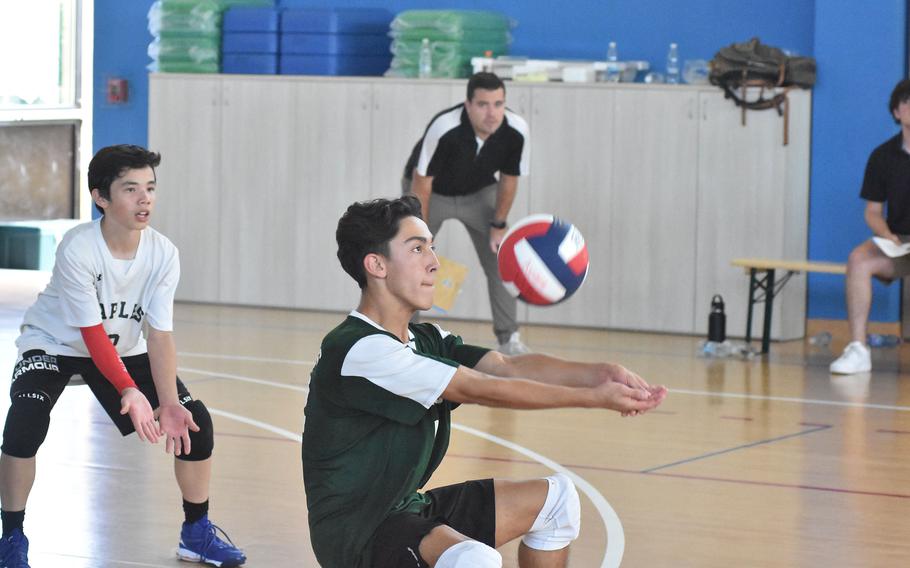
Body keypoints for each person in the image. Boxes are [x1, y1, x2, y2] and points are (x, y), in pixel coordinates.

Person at [302, 196, 667, 568]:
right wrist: (594, 397)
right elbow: (482, 388)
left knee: (557, 500)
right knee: (473, 558)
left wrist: (600, 373)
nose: (434, 262)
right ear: (376, 265)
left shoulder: (424, 339)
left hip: (405, 508)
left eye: (432, 246)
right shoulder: (360, 349)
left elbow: (505, 367)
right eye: (417, 248)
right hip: (358, 536)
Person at [0, 145, 246, 567]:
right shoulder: (79, 248)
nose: (144, 198)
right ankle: (11, 538)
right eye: (130, 189)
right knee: (25, 421)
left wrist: (168, 403)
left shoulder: (163, 253)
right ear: (101, 197)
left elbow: (160, 335)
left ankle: (196, 533)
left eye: (150, 188)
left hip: (123, 347)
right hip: (56, 343)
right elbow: (91, 334)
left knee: (194, 423)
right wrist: (129, 390)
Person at [403, 72, 530, 355]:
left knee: (501, 260)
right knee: (410, 260)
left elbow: (510, 179)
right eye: (483, 104)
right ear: (468, 105)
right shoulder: (445, 127)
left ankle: (509, 339)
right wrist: (419, 237)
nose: (492, 113)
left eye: (498, 104)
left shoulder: (516, 130)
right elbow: (421, 183)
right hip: (431, 193)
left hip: (479, 193)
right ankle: (404, 335)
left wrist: (499, 224)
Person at [831, 79, 910, 374]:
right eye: (907, 102)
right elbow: (873, 211)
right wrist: (886, 234)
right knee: (858, 259)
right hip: (899, 241)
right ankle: (858, 349)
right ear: (896, 112)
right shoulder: (882, 156)